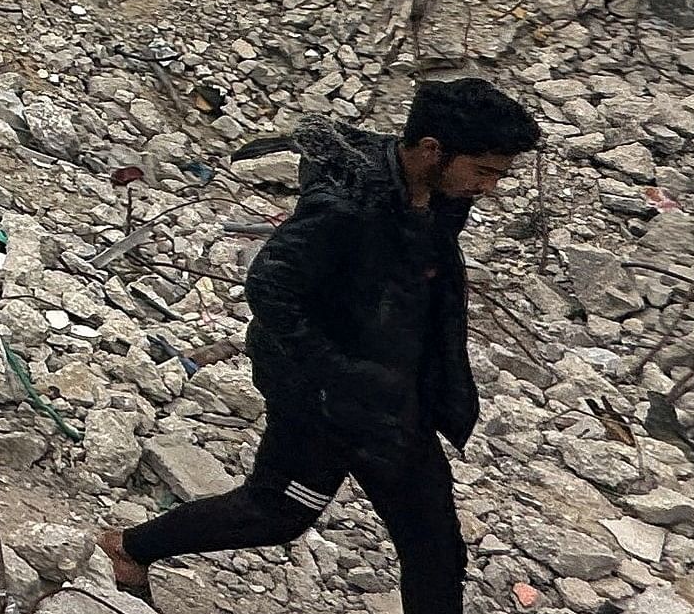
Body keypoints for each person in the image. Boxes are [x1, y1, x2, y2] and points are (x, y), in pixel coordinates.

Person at [99, 76, 541, 611]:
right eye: (484, 171)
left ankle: (130, 547)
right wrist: (339, 374)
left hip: (396, 398)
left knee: (434, 544)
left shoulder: (436, 194)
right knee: (280, 511)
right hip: (326, 401)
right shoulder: (346, 206)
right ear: (432, 150)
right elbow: (270, 286)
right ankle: (128, 547)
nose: (489, 187)